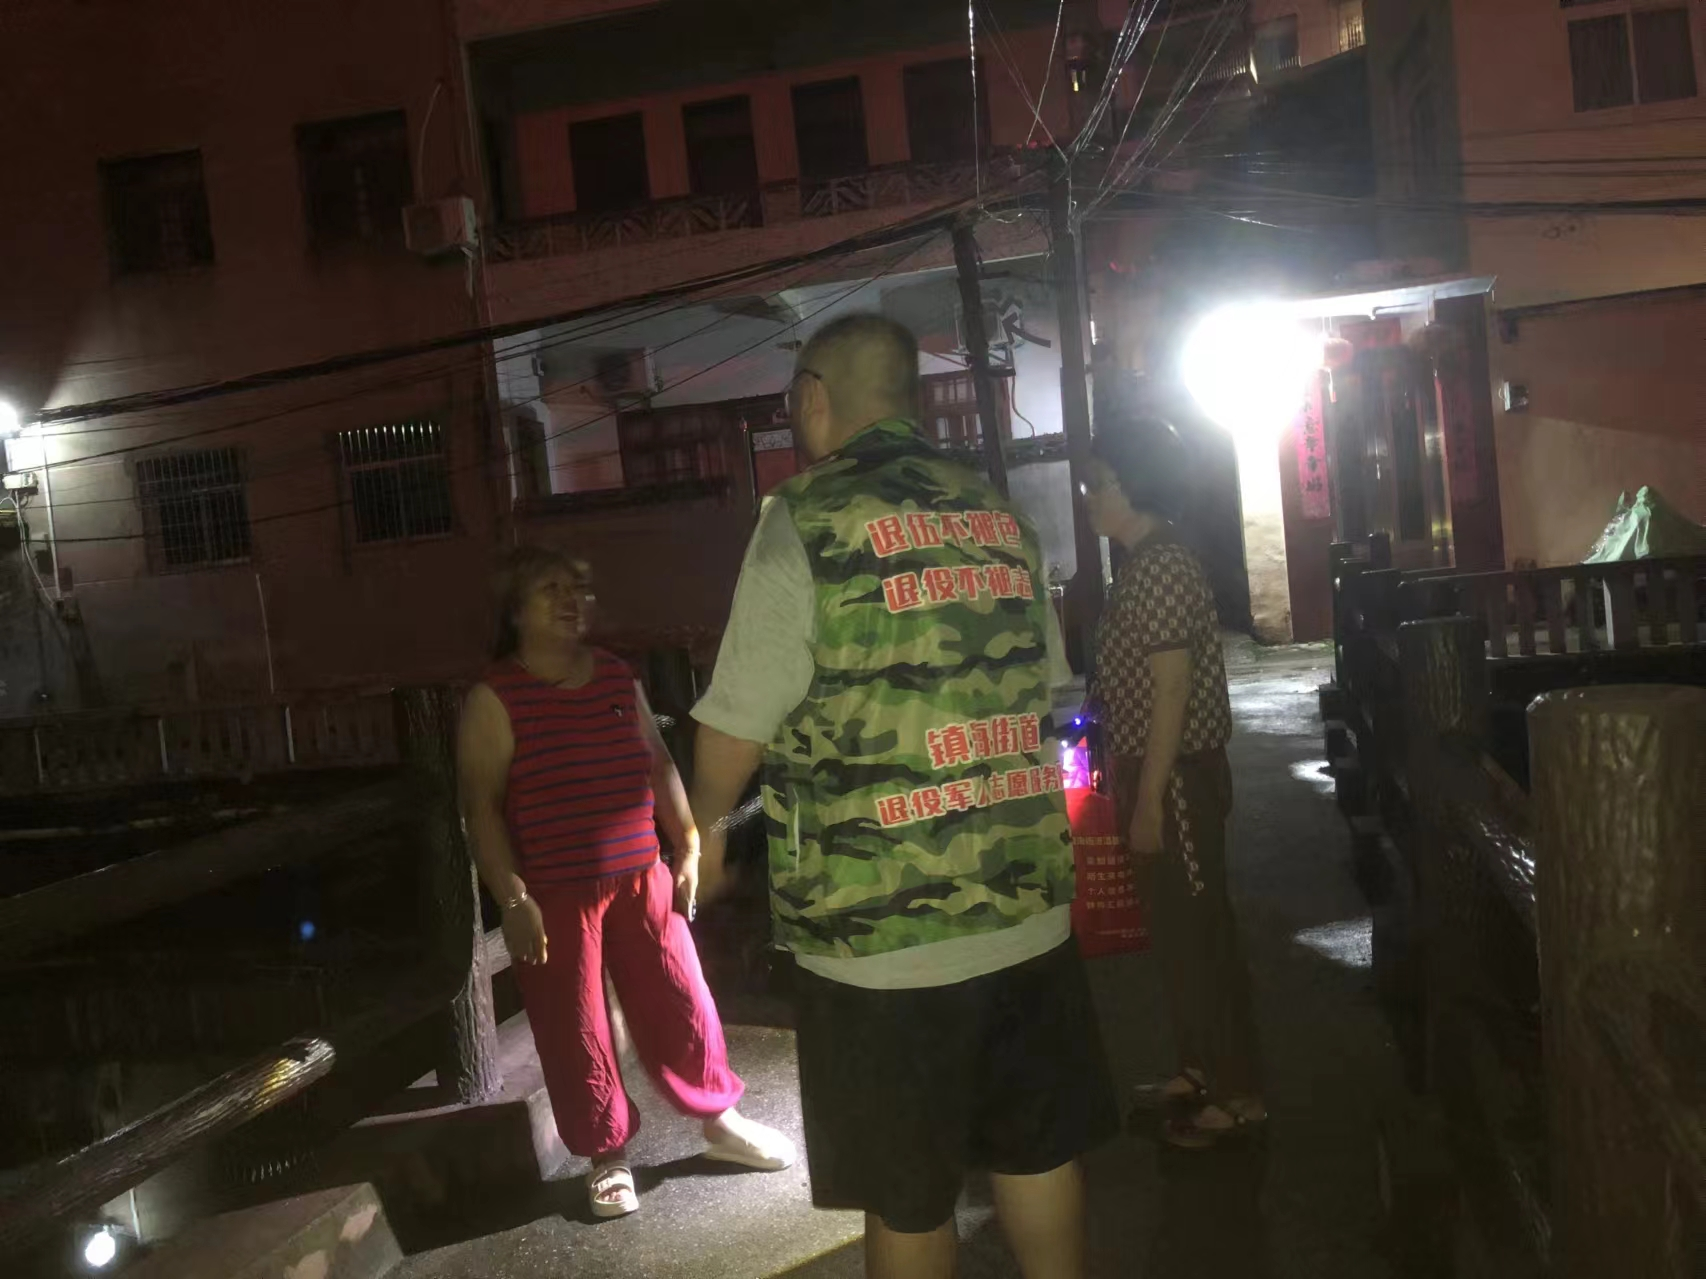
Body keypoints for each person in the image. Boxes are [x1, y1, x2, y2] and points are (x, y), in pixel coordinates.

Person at [686, 314, 1117, 1279]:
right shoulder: (999, 514)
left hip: (880, 933)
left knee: (909, 1193)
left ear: (812, 398)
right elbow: (1047, 689)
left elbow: (733, 728)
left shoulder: (805, 518)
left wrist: (704, 827)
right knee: (1038, 1153)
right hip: (1025, 907)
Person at [456, 547, 795, 1220]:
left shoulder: (615, 675)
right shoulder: (495, 697)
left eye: (578, 588)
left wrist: (688, 843)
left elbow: (658, 762)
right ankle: (606, 1156)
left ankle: (721, 1120)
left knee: (682, 995)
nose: (571, 600)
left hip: (643, 873)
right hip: (556, 890)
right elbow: (481, 808)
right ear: (515, 610)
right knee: (575, 1022)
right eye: (551, 588)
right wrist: (514, 897)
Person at [1080, 415, 1264, 1149]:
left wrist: (1151, 799)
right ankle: (1199, 1068)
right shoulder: (1146, 560)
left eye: (1100, 482)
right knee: (1178, 932)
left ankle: (1237, 1094)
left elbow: (1171, 689)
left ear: (1136, 484)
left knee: (1198, 934)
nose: (1090, 495)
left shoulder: (1159, 565)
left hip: (1175, 775)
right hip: (1159, 770)